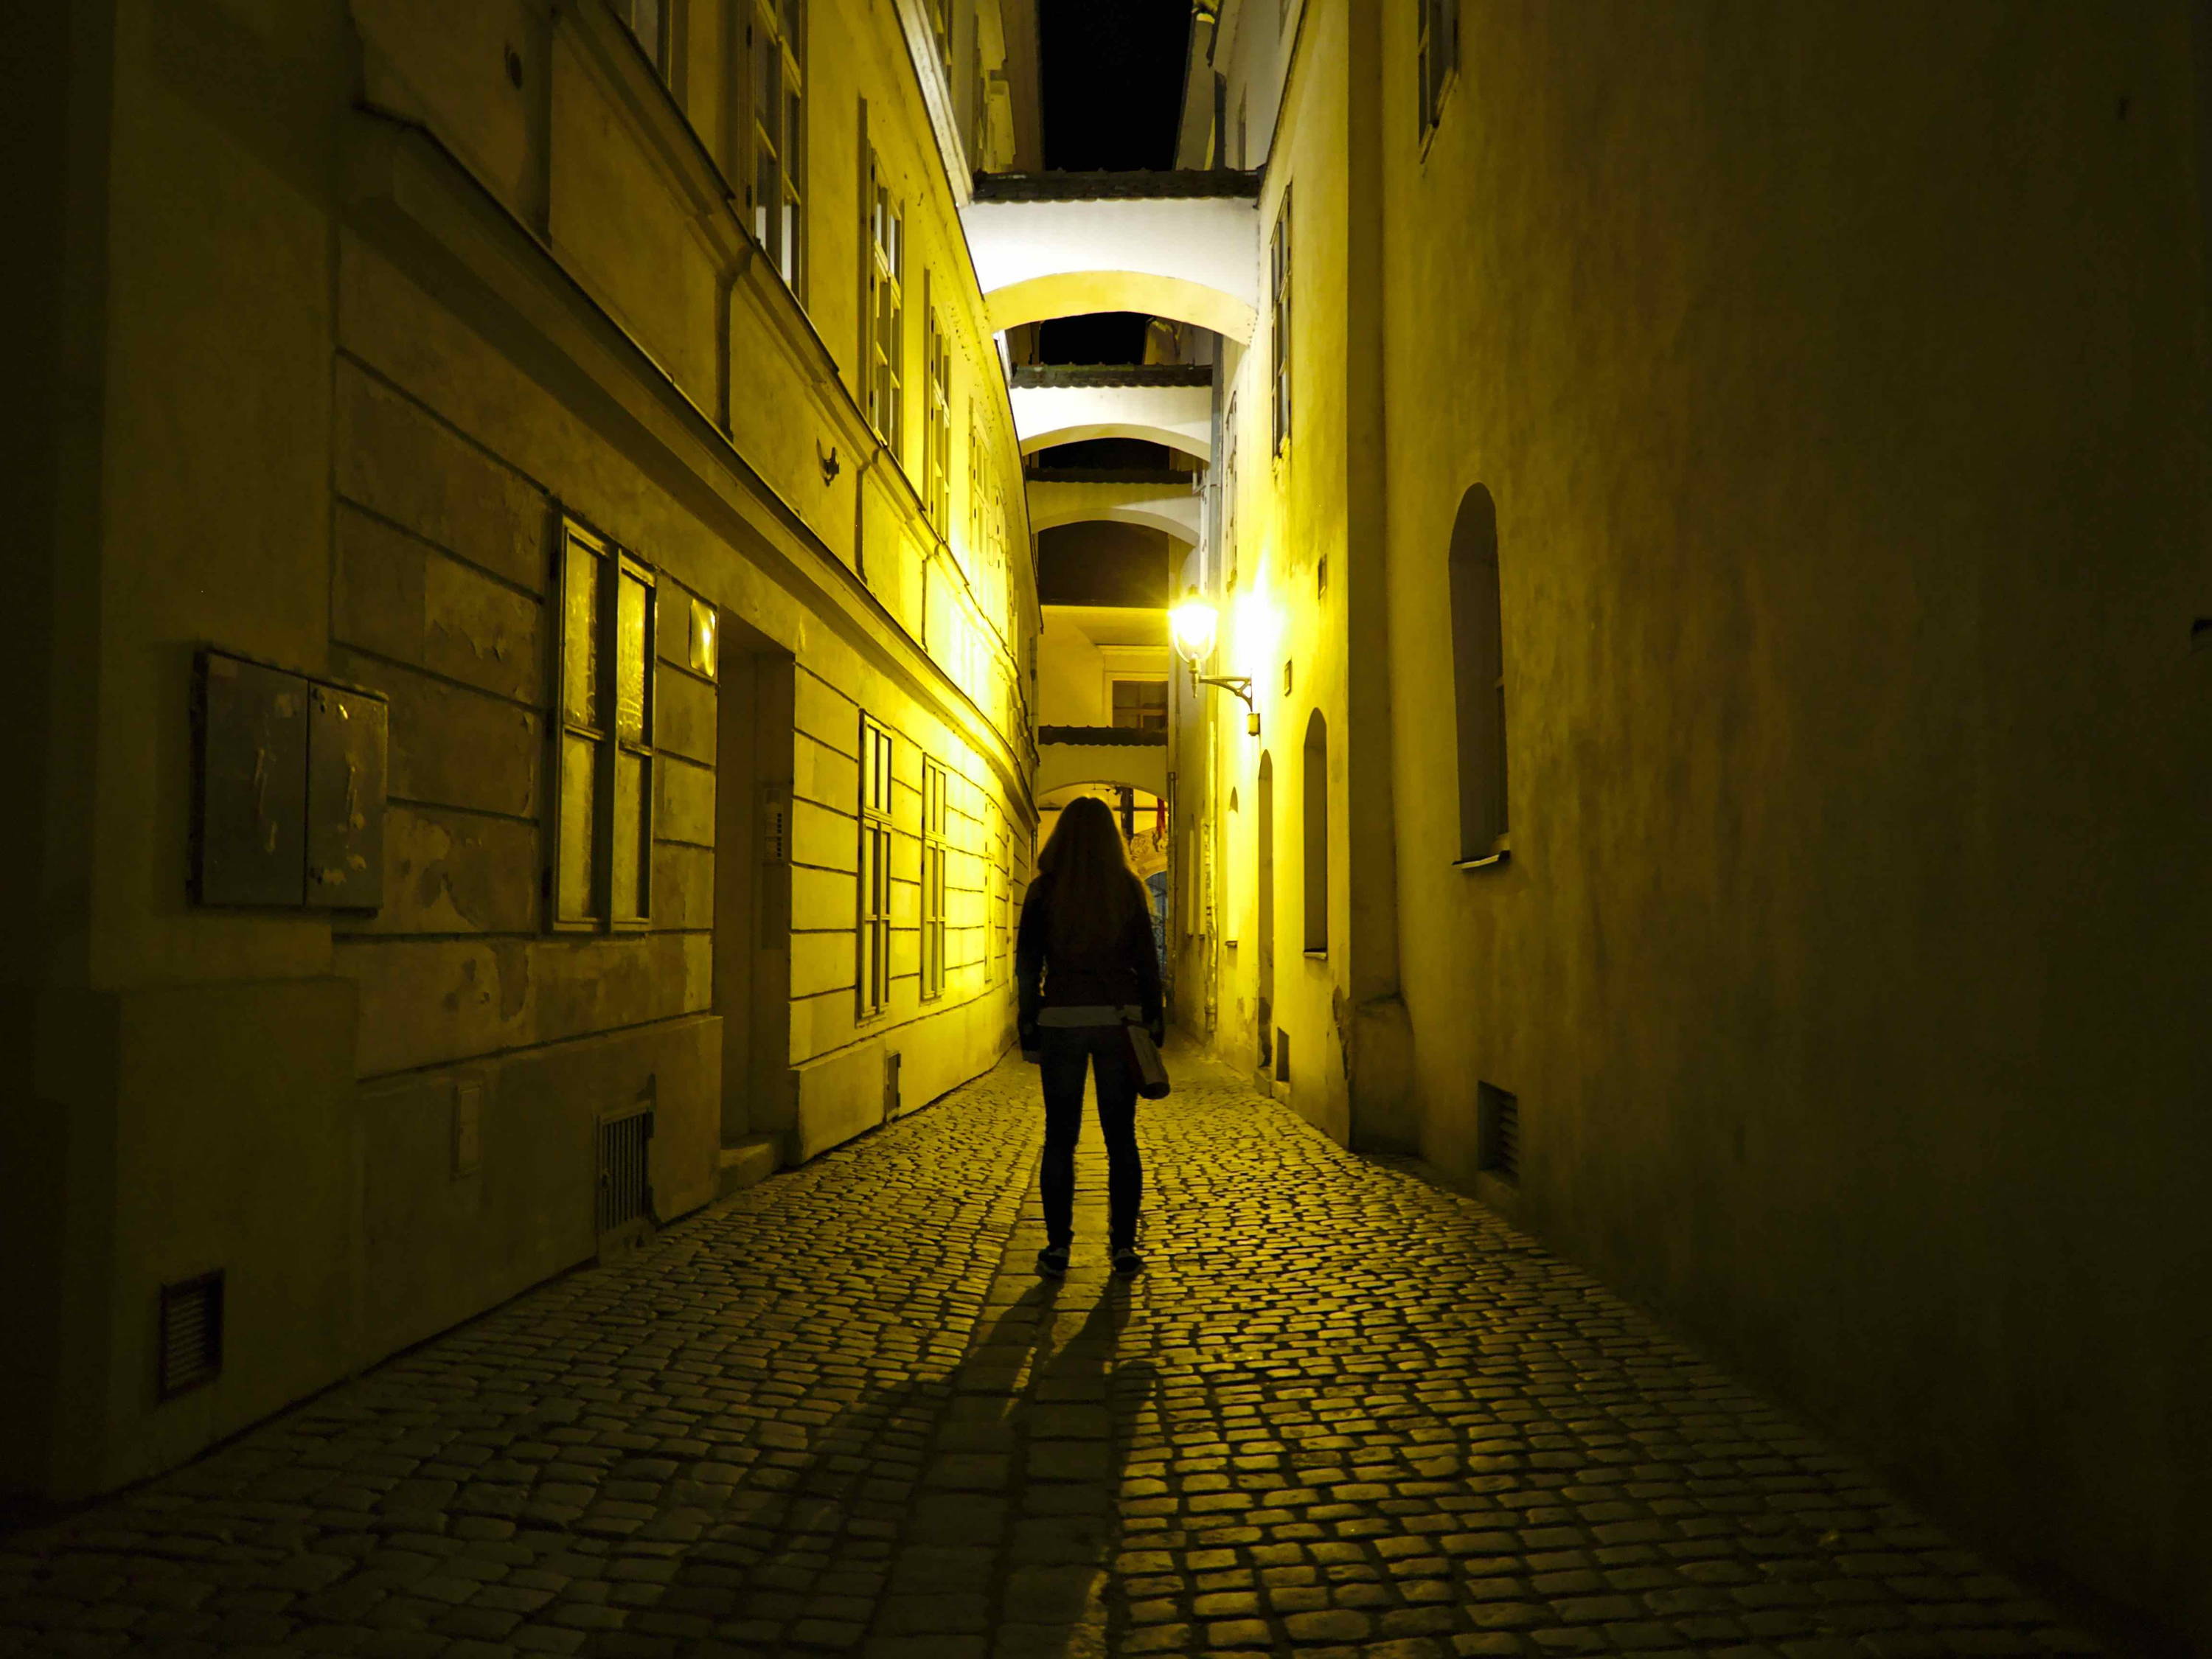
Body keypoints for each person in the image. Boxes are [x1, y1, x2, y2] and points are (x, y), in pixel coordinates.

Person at [1016, 795, 1164, 1279]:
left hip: (1061, 1022)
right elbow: (1146, 961)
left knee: (1060, 1138)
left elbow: (1027, 966)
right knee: (1121, 1137)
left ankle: (1058, 1247)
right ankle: (1123, 1246)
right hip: (1117, 1024)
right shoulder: (1126, 888)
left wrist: (1029, 1026)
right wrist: (1153, 1022)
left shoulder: (1043, 890)